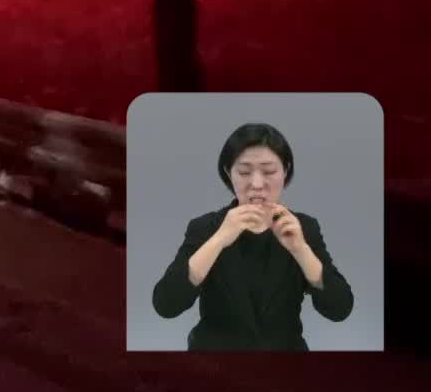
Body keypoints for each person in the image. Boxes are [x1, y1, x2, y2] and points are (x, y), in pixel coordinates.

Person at [151, 122, 354, 350]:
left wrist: (301, 250)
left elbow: (340, 309)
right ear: (229, 173)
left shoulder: (304, 228)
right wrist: (218, 240)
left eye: (269, 172)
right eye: (245, 172)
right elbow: (165, 305)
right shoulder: (205, 227)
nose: (257, 184)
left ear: (285, 171)